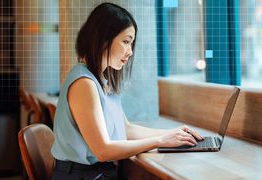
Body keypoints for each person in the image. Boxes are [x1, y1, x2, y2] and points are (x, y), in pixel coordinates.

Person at [51, 2, 203, 180]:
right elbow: (103, 150)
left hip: (97, 173)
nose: (130, 52)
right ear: (103, 39)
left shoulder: (100, 80)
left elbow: (126, 129)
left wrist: (172, 133)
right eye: (126, 42)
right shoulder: (84, 83)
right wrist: (160, 141)